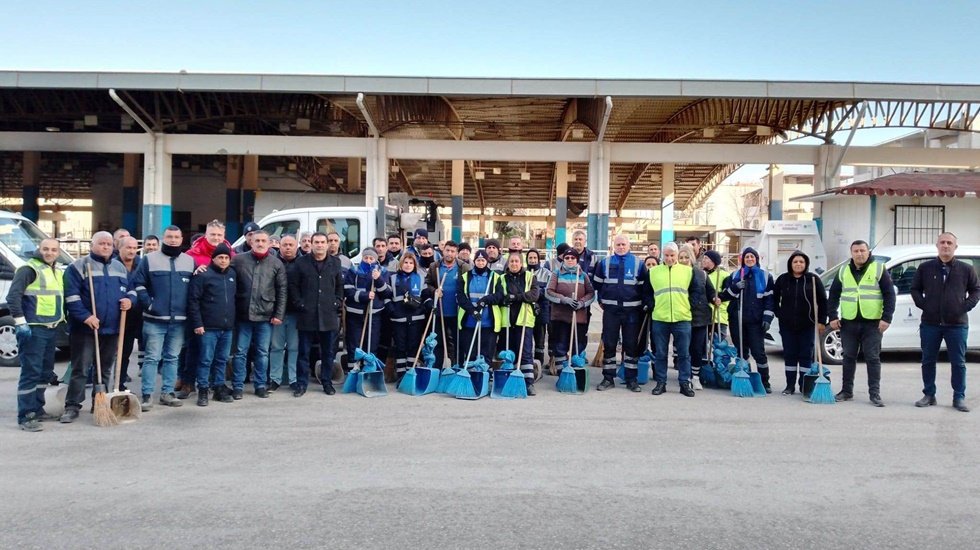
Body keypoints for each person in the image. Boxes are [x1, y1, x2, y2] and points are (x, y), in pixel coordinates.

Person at [60, 232, 133, 423]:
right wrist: (86, 316)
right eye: (101, 243)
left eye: (109, 244)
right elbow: (71, 297)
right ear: (92, 245)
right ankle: (72, 405)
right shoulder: (78, 266)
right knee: (81, 368)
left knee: (106, 369)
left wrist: (129, 300)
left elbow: (131, 290)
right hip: (85, 328)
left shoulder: (119, 267)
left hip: (111, 328)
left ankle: (99, 403)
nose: (106, 247)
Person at [911, 232, 979, 412]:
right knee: (928, 360)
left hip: (956, 324)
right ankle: (929, 394)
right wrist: (925, 305)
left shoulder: (966, 269)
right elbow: (915, 289)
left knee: (958, 362)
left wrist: (963, 307)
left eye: (949, 243)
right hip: (930, 323)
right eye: (942, 242)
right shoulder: (925, 268)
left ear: (955, 247)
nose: (945, 245)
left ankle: (959, 397)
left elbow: (975, 291)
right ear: (937, 245)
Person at [133, 225, 196, 410]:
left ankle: (167, 393)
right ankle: (146, 395)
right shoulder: (149, 260)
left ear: (181, 238)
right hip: (154, 320)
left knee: (172, 358)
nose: (173, 240)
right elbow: (138, 283)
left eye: (176, 237)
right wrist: (150, 305)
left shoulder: (189, 261)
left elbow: (195, 288)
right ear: (163, 238)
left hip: (179, 321)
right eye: (169, 237)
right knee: (152, 358)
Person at [827, 240, 896, 407]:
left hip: (872, 323)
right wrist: (833, 317)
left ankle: (875, 394)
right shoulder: (843, 270)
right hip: (849, 322)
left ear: (868, 252)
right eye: (856, 251)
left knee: (872, 358)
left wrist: (886, 318)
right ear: (851, 253)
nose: (859, 254)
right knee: (848, 357)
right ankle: (846, 391)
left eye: (862, 250)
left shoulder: (879, 269)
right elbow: (834, 294)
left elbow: (889, 295)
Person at [7, 238, 63, 431]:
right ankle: (26, 416)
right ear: (39, 250)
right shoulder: (29, 269)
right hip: (34, 329)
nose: (49, 252)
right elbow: (13, 296)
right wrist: (21, 322)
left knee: (44, 373)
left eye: (53, 249)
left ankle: (37, 409)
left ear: (58, 252)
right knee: (31, 373)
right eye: (45, 249)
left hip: (50, 328)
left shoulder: (55, 270)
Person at [230, 230, 288, 399]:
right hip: (243, 314)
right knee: (240, 352)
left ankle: (260, 385)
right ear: (251, 242)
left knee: (262, 352)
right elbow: (223, 274)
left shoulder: (276, 263)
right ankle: (238, 386)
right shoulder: (238, 260)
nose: (260, 243)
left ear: (269, 243)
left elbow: (282, 291)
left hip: (266, 315)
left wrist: (279, 314)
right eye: (257, 240)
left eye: (264, 240)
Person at [291, 232, 345, 396]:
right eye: (317, 242)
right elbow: (293, 286)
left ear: (328, 244)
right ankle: (301, 384)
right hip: (307, 314)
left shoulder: (335, 262)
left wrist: (337, 301)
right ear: (311, 244)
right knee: (304, 352)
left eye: (323, 242)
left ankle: (327, 383)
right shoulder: (301, 263)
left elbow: (340, 286)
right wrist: (299, 303)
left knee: (328, 353)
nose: (320, 245)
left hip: (328, 315)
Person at [593, 234, 646, 391]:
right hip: (611, 311)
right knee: (609, 344)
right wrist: (602, 301)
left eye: (623, 244)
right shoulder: (605, 263)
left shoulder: (638, 263)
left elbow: (644, 287)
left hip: (632, 312)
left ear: (629, 246)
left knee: (631, 345)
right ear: (613, 246)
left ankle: (631, 379)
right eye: (618, 245)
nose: (621, 247)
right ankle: (608, 378)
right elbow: (597, 284)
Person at [646, 243, 699, 397]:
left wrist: (689, 305)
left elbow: (696, 291)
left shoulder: (688, 271)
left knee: (683, 354)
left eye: (672, 255)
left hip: (682, 317)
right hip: (660, 318)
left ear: (677, 255)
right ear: (662, 255)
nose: (669, 258)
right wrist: (652, 305)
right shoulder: (653, 272)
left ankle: (684, 383)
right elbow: (647, 293)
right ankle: (661, 383)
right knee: (661, 353)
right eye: (667, 255)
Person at [721, 247, 776, 393]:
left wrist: (767, 318)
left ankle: (765, 381)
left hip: (756, 321)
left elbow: (770, 299)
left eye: (752, 257)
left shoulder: (765, 276)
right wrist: (736, 287)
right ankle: (745, 378)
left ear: (756, 259)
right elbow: (725, 295)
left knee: (758, 352)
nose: (750, 259)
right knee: (741, 352)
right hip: (737, 319)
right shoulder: (734, 276)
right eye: (747, 257)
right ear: (743, 260)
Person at [187, 243, 237, 405]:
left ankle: (218, 388)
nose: (223, 261)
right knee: (206, 359)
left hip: (227, 327)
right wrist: (197, 323)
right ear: (213, 259)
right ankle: (202, 389)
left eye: (226, 258)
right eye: (220, 257)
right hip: (207, 327)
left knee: (222, 359)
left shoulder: (232, 275)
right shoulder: (203, 275)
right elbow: (193, 301)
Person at [773, 250, 827, 395]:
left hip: (807, 325)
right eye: (795, 261)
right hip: (787, 326)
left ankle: (805, 385)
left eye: (801, 262)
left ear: (806, 264)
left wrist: (822, 321)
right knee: (790, 354)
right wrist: (780, 314)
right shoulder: (783, 279)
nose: (798, 264)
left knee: (805, 355)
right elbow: (774, 299)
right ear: (790, 264)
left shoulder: (813, 279)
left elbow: (822, 301)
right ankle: (790, 385)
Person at [495, 252, 541, 395]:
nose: (514, 264)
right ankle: (508, 380)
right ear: (508, 263)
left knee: (526, 353)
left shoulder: (529, 277)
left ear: (521, 263)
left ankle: (528, 383)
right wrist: (504, 299)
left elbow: (534, 295)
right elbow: (498, 295)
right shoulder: (502, 278)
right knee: (508, 352)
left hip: (524, 319)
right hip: (507, 320)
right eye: (511, 261)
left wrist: (517, 297)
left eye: (516, 261)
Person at [545, 248, 594, 376]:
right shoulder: (556, 274)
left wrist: (582, 303)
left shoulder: (583, 275)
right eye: (567, 258)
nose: (570, 260)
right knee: (560, 345)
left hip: (578, 318)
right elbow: (548, 292)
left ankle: (576, 373)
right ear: (563, 259)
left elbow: (591, 293)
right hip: (561, 317)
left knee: (578, 345)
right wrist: (564, 300)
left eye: (573, 258)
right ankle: (562, 374)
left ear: (577, 260)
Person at [677, 243, 716, 391]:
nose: (684, 259)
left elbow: (711, 292)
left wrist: (715, 299)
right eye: (681, 257)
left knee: (697, 349)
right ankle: (685, 376)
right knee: (683, 349)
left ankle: (695, 377)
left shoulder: (702, 274)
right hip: (681, 317)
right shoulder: (675, 273)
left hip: (699, 317)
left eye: (687, 257)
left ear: (692, 258)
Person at [388, 253, 431, 381]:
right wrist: (392, 310)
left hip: (416, 318)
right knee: (400, 347)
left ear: (415, 265)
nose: (408, 265)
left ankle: (410, 373)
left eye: (411, 263)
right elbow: (387, 296)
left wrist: (429, 307)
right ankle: (401, 375)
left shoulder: (420, 278)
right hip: (398, 318)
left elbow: (425, 295)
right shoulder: (393, 278)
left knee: (413, 346)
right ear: (401, 264)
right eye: (406, 262)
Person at [343, 248, 391, 359]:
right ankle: (354, 369)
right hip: (355, 314)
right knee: (354, 344)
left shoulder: (382, 272)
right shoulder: (353, 271)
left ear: (376, 259)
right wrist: (364, 296)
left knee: (372, 343)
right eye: (366, 258)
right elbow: (348, 291)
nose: (368, 260)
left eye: (371, 258)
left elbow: (387, 293)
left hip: (374, 314)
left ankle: (369, 370)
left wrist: (379, 279)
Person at [268, 235, 301, 392]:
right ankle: (275, 379)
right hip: (276, 314)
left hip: (296, 313)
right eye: (285, 244)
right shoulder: (272, 262)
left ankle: (293, 379)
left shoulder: (302, 263)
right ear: (279, 246)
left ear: (297, 246)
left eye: (291, 245)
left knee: (294, 348)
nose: (288, 247)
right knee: (276, 347)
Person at [456, 250, 501, 362]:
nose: (480, 263)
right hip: (469, 321)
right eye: (478, 260)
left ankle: (485, 372)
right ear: (474, 261)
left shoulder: (494, 277)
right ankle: (472, 374)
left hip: (488, 322)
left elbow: (499, 296)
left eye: (483, 260)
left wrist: (485, 300)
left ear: (486, 261)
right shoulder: (466, 276)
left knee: (487, 352)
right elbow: (460, 297)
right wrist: (472, 311)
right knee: (471, 351)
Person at [426, 240, 466, 366]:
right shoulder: (434, 266)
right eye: (447, 250)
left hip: (457, 312)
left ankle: (456, 367)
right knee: (438, 343)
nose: (449, 253)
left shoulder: (463, 267)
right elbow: (427, 283)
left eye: (452, 251)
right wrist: (434, 290)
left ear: (457, 253)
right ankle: (437, 369)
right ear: (443, 251)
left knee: (458, 343)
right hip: (439, 311)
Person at [115, 236, 143, 392]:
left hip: (135, 315)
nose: (132, 251)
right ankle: (110, 384)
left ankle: (120, 382)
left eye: (134, 248)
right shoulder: (112, 264)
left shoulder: (141, 264)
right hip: (114, 315)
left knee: (125, 351)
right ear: (120, 248)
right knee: (111, 353)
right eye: (128, 247)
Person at [525, 249, 551, 367]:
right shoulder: (523, 272)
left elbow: (549, 291)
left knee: (540, 339)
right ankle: (528, 363)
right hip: (525, 310)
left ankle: (539, 364)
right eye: (530, 258)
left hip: (542, 310)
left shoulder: (546, 273)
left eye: (535, 258)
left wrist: (534, 293)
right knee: (527, 338)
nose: (532, 260)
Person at [702, 250, 730, 342]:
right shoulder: (702, 274)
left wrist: (713, 297)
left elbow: (727, 294)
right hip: (704, 316)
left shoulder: (724, 275)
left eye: (706, 258)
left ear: (713, 261)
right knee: (703, 346)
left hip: (719, 316)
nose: (703, 260)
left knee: (719, 346)